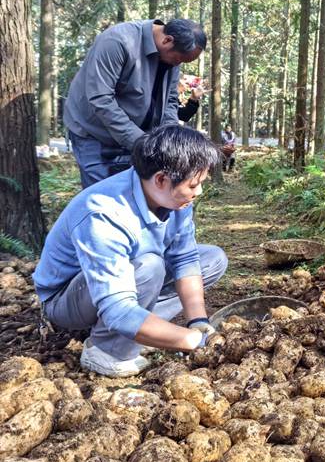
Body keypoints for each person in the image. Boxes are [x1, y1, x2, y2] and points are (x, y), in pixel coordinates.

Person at [32, 125, 228, 377]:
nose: (198, 192)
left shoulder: (175, 197)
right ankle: (105, 350)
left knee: (211, 259)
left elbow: (185, 258)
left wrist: (198, 324)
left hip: (119, 283)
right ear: (161, 179)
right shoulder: (104, 212)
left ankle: (141, 329)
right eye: (193, 185)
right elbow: (118, 308)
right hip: (66, 299)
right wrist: (194, 342)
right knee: (149, 267)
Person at [63, 18, 207, 188]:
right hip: (95, 134)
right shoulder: (118, 41)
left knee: (137, 194)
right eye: (179, 60)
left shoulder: (172, 55)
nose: (178, 65)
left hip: (139, 137)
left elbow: (169, 99)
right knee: (104, 196)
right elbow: (101, 98)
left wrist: (167, 139)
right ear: (167, 40)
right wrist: (140, 142)